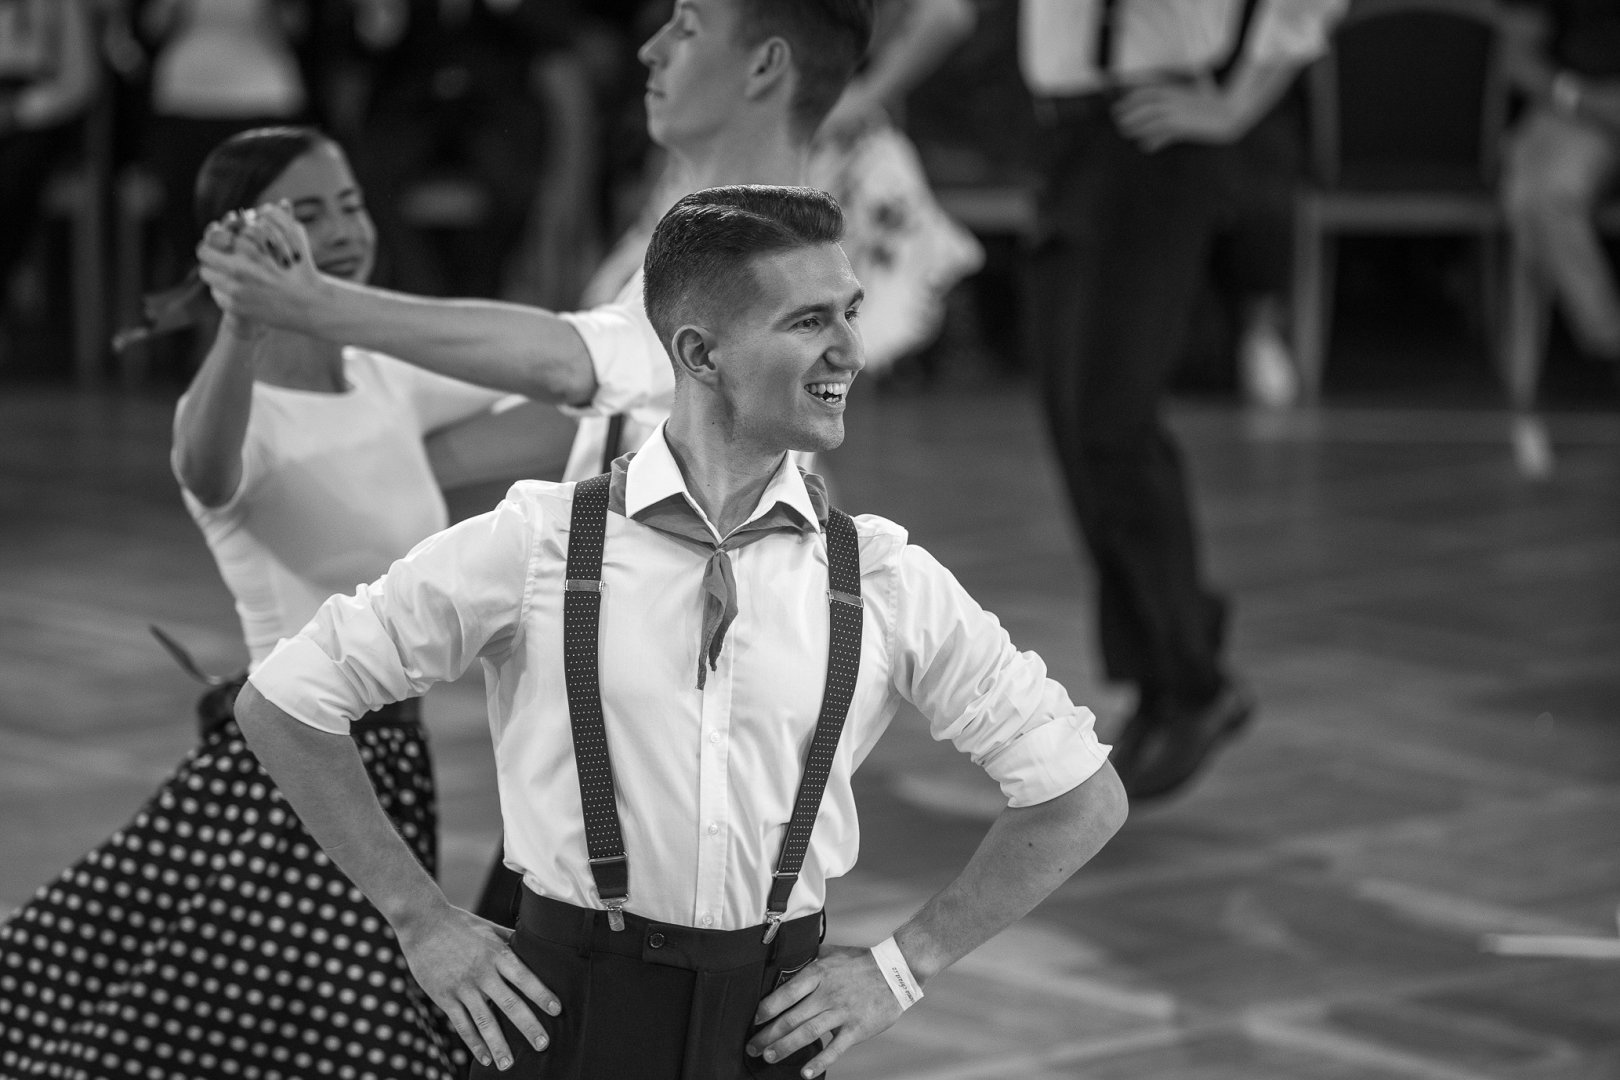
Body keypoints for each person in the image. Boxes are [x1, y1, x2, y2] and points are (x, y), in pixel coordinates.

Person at [230, 183, 1128, 1080]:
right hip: (561, 1019)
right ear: (700, 353)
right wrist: (418, 918)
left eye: (851, 312)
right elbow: (285, 701)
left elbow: (1081, 797)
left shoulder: (883, 577)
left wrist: (903, 967)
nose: (852, 350)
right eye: (809, 321)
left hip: (771, 1031)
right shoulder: (539, 543)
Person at [0, 126, 545, 1080]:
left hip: (388, 760)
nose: (340, 233)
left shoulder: (383, 372)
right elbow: (204, 468)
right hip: (295, 766)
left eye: (350, 205)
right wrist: (243, 322)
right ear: (234, 244)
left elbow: (556, 373)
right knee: (348, 1040)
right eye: (304, 216)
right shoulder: (228, 401)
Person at [196, 0, 877, 486]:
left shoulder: (766, 261)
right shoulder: (717, 230)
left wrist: (311, 302)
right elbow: (600, 404)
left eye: (688, 26)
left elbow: (571, 366)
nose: (653, 48)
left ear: (764, 66)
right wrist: (358, 471)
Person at [1017, 0, 1345, 800]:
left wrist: (1237, 102)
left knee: (1111, 422)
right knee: (1075, 421)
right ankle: (1163, 683)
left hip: (1151, 135)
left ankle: (1194, 683)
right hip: (1067, 137)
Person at [1500, 0, 1620, 363]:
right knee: (1541, 192)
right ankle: (1609, 339)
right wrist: (1583, 99)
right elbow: (1515, 58)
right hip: (1580, 105)